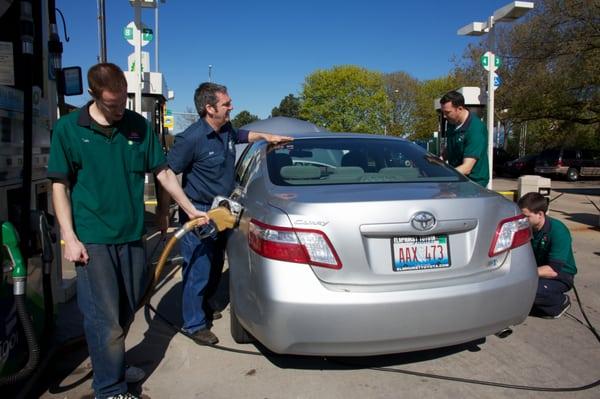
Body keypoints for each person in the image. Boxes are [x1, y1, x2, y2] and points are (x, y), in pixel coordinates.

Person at [48, 63, 207, 399]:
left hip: (132, 235)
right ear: (93, 96)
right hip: (93, 239)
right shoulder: (69, 129)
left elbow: (162, 172)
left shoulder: (137, 126)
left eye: (123, 103)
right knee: (103, 321)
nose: (120, 110)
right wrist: (70, 237)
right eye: (112, 105)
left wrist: (189, 208)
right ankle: (109, 389)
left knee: (125, 312)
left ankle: (114, 366)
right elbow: (59, 185)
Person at [166, 82, 292, 345]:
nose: (231, 106)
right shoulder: (191, 138)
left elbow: (243, 136)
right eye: (226, 104)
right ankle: (193, 323)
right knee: (197, 268)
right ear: (209, 108)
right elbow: (166, 174)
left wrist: (267, 137)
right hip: (198, 211)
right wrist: (175, 213)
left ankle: (205, 304)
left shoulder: (225, 131)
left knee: (214, 264)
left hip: (222, 209)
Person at [518, 192, 577, 319]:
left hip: (560, 275)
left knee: (530, 291)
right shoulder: (525, 227)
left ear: (540, 214)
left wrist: (521, 274)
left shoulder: (558, 230)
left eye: (525, 216)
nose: (521, 220)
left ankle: (560, 302)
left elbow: (553, 270)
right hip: (537, 270)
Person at [440, 90, 489, 187]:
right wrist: (437, 160)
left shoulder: (475, 129)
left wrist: (443, 175)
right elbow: (450, 148)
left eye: (447, 112)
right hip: (457, 179)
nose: (444, 116)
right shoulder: (451, 123)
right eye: (443, 112)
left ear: (460, 108)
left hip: (474, 184)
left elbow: (467, 168)